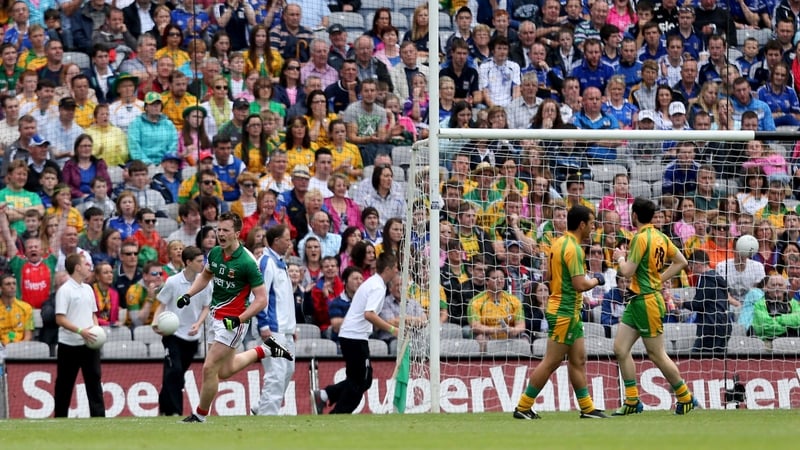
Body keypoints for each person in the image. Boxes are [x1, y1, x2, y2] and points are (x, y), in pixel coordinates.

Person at [180, 212, 293, 423]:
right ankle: (265, 350)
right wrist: (188, 294)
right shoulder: (214, 253)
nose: (220, 234)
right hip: (216, 316)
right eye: (218, 230)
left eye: (225, 231)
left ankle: (199, 415)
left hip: (233, 321)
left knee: (209, 367)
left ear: (237, 234)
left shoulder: (248, 262)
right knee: (224, 371)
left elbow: (261, 300)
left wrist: (239, 320)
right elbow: (205, 276)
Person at [513, 205, 607, 420]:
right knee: (551, 361)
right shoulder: (573, 248)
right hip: (564, 311)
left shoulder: (558, 243)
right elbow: (580, 284)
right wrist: (597, 279)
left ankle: (587, 408)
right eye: (592, 224)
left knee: (579, 359)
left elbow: (547, 273)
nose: (593, 228)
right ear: (582, 225)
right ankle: (523, 406)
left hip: (568, 310)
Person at [611, 197, 697, 416]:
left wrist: (620, 258)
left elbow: (627, 272)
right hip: (637, 299)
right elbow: (681, 262)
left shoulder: (640, 238)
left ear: (634, 216)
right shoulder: (660, 236)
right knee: (620, 349)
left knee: (657, 354)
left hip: (647, 300)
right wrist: (660, 278)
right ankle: (632, 400)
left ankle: (685, 397)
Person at [312, 252, 399, 414]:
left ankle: (325, 395)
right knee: (359, 382)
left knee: (362, 380)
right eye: (395, 268)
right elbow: (369, 314)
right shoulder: (377, 287)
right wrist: (392, 329)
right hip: (354, 337)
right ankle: (338, 414)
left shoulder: (373, 283)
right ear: (388, 269)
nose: (397, 271)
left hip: (353, 335)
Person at [153, 246, 211, 416]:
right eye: (199, 261)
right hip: (172, 334)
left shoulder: (205, 281)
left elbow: (207, 307)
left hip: (193, 337)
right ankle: (175, 412)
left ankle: (164, 409)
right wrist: (155, 323)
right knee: (175, 371)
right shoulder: (172, 282)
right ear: (188, 262)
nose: (203, 264)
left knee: (177, 375)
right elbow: (162, 304)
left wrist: (198, 324)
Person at [53, 253, 105, 418]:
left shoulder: (88, 288)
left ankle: (99, 419)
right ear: (77, 268)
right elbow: (60, 318)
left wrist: (95, 330)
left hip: (89, 344)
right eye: (86, 264)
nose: (89, 267)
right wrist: (80, 331)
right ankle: (60, 418)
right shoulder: (65, 290)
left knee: (94, 383)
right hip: (69, 345)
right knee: (64, 385)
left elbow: (93, 314)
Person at [253, 224, 297, 415]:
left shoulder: (281, 262)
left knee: (288, 370)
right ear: (276, 241)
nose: (290, 243)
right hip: (272, 328)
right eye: (287, 239)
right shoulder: (266, 262)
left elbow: (283, 298)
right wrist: (263, 324)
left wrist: (293, 327)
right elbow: (258, 295)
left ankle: (260, 407)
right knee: (276, 373)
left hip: (286, 329)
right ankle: (267, 415)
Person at [686, 250, 731, 355]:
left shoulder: (704, 278)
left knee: (696, 360)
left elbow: (699, 304)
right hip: (724, 325)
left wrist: (682, 303)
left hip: (710, 327)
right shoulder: (717, 277)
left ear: (697, 264)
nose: (691, 270)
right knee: (717, 362)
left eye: (691, 266)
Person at [0, 273, 33, 344]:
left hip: (20, 346)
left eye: (14, 284)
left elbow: (28, 334)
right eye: (8, 284)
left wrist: (21, 347)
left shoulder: (26, 307)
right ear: (1, 288)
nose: (12, 286)